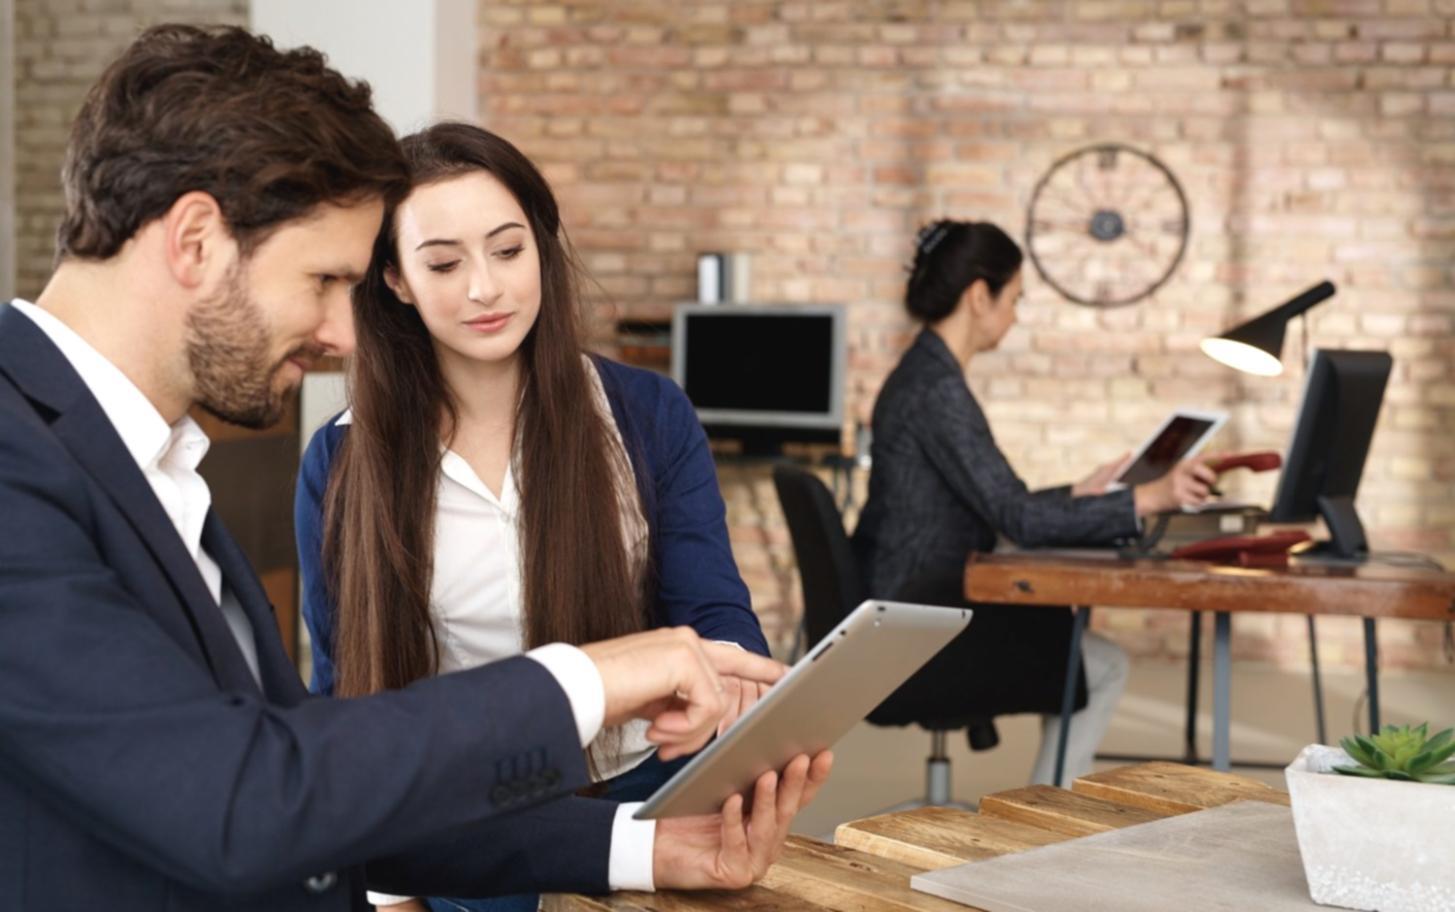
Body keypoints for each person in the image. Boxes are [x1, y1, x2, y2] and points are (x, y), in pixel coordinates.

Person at [0, 25, 829, 912]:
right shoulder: (21, 459)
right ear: (196, 240)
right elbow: (239, 799)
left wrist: (643, 849)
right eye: (324, 281)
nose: (346, 335)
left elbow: (307, 783)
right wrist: (587, 677)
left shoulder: (150, 463)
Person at [294, 122, 776, 912]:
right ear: (395, 280)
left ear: (542, 251)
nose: (485, 287)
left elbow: (715, 614)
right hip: (459, 833)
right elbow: (346, 697)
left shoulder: (643, 414)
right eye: (444, 263)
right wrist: (387, 895)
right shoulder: (341, 462)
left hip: (646, 808)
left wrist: (727, 688)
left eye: (509, 250)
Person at [852, 219, 1215, 785]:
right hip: (920, 622)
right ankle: (1043, 816)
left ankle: (1045, 806)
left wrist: (1078, 493)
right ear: (979, 296)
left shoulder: (923, 375)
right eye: (1015, 299)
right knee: (1104, 665)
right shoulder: (937, 390)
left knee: (1082, 654)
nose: (1017, 315)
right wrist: (1148, 497)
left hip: (910, 603)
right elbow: (1015, 516)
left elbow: (998, 502)